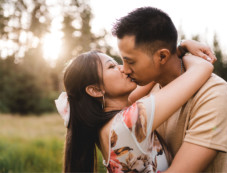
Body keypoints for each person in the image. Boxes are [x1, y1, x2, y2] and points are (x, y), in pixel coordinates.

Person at [112, 7, 227, 173]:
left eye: (131, 62)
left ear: (162, 56)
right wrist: (181, 46)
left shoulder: (214, 93)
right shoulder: (148, 87)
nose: (125, 70)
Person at [55, 50, 213, 172]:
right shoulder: (128, 122)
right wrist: (183, 54)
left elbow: (154, 73)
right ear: (96, 90)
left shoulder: (109, 124)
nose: (123, 68)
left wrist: (179, 48)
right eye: (112, 66)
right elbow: (203, 67)